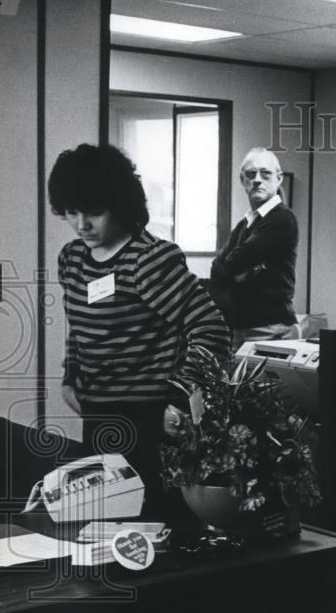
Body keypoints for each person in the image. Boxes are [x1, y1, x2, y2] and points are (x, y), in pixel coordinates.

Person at [50, 143, 230, 520]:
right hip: (99, 415)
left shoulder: (148, 260)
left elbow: (211, 329)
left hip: (152, 419)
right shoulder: (72, 259)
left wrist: (180, 400)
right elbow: (78, 324)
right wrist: (71, 378)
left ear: (119, 205)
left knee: (158, 527)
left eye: (94, 213)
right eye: (72, 212)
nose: (82, 224)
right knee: (105, 527)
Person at [210, 147, 298, 349]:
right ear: (242, 180)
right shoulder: (245, 223)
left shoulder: (281, 218)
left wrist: (232, 271)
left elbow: (232, 262)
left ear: (279, 178)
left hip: (272, 328)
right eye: (251, 174)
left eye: (265, 173)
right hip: (243, 328)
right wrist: (238, 275)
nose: (258, 179)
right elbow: (217, 271)